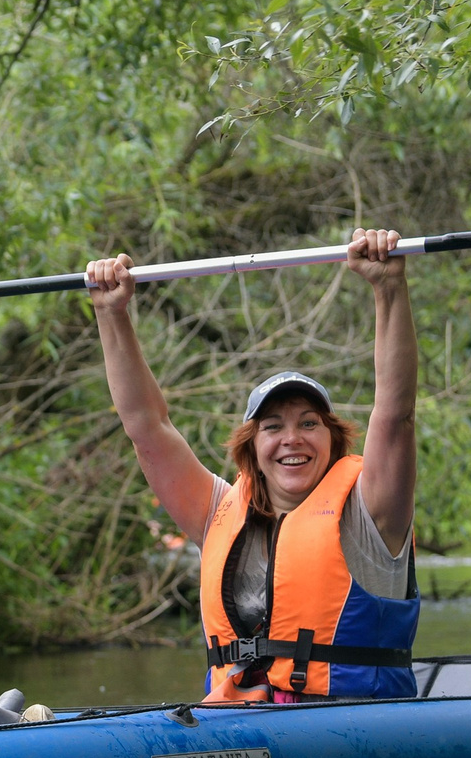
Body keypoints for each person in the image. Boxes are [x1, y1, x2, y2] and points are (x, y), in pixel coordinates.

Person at [85, 229, 419, 702]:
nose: (291, 439)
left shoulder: (372, 511)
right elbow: (146, 427)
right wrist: (110, 314)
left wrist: (388, 289)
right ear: (251, 449)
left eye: (309, 423)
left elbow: (396, 412)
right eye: (272, 427)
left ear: (333, 440)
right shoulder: (216, 511)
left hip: (355, 726)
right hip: (239, 723)